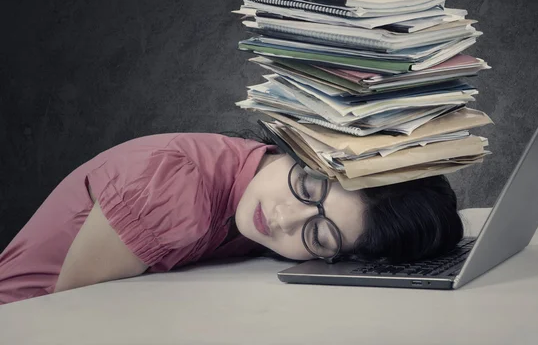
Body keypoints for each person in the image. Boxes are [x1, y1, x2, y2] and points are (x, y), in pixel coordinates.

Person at [0, 131, 463, 304]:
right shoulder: (178, 187)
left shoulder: (252, 175)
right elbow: (65, 322)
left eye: (318, 234)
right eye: (306, 187)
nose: (282, 219)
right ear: (301, 146)